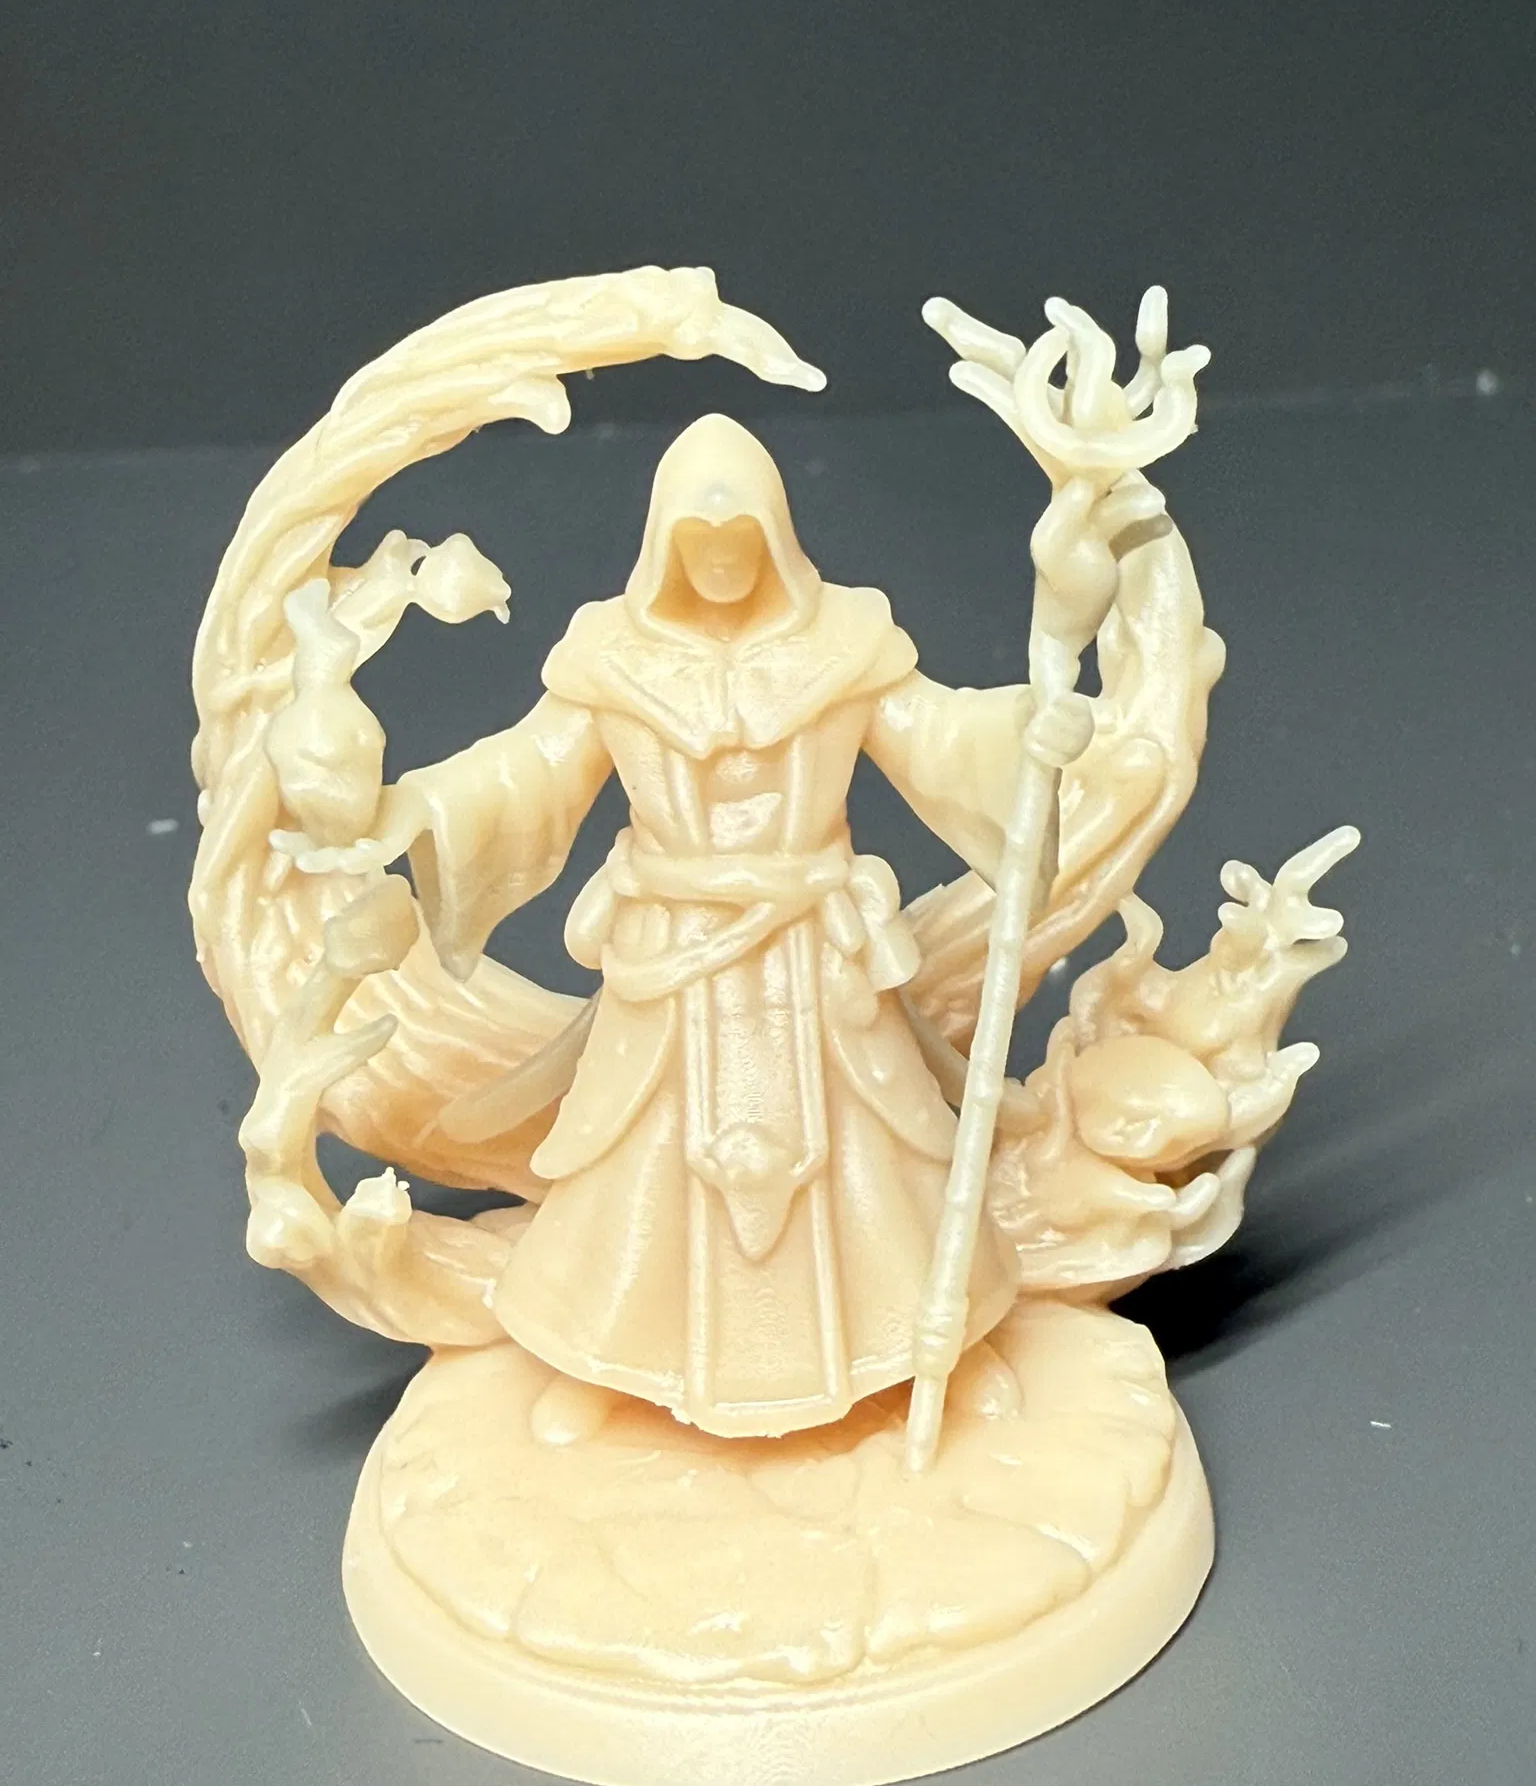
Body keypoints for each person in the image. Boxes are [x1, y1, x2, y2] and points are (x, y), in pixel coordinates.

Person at [361, 413, 1091, 1436]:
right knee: (637, 1163)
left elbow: (936, 733)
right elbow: (534, 767)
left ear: (774, 534)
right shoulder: (614, 657)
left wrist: (1024, 732)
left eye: (737, 535)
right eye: (695, 539)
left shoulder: (843, 643)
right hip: (672, 952)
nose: (716, 558)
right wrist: (424, 806)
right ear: (661, 539)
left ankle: (938, 1347)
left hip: (815, 952)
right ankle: (601, 1359)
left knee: (877, 1161)